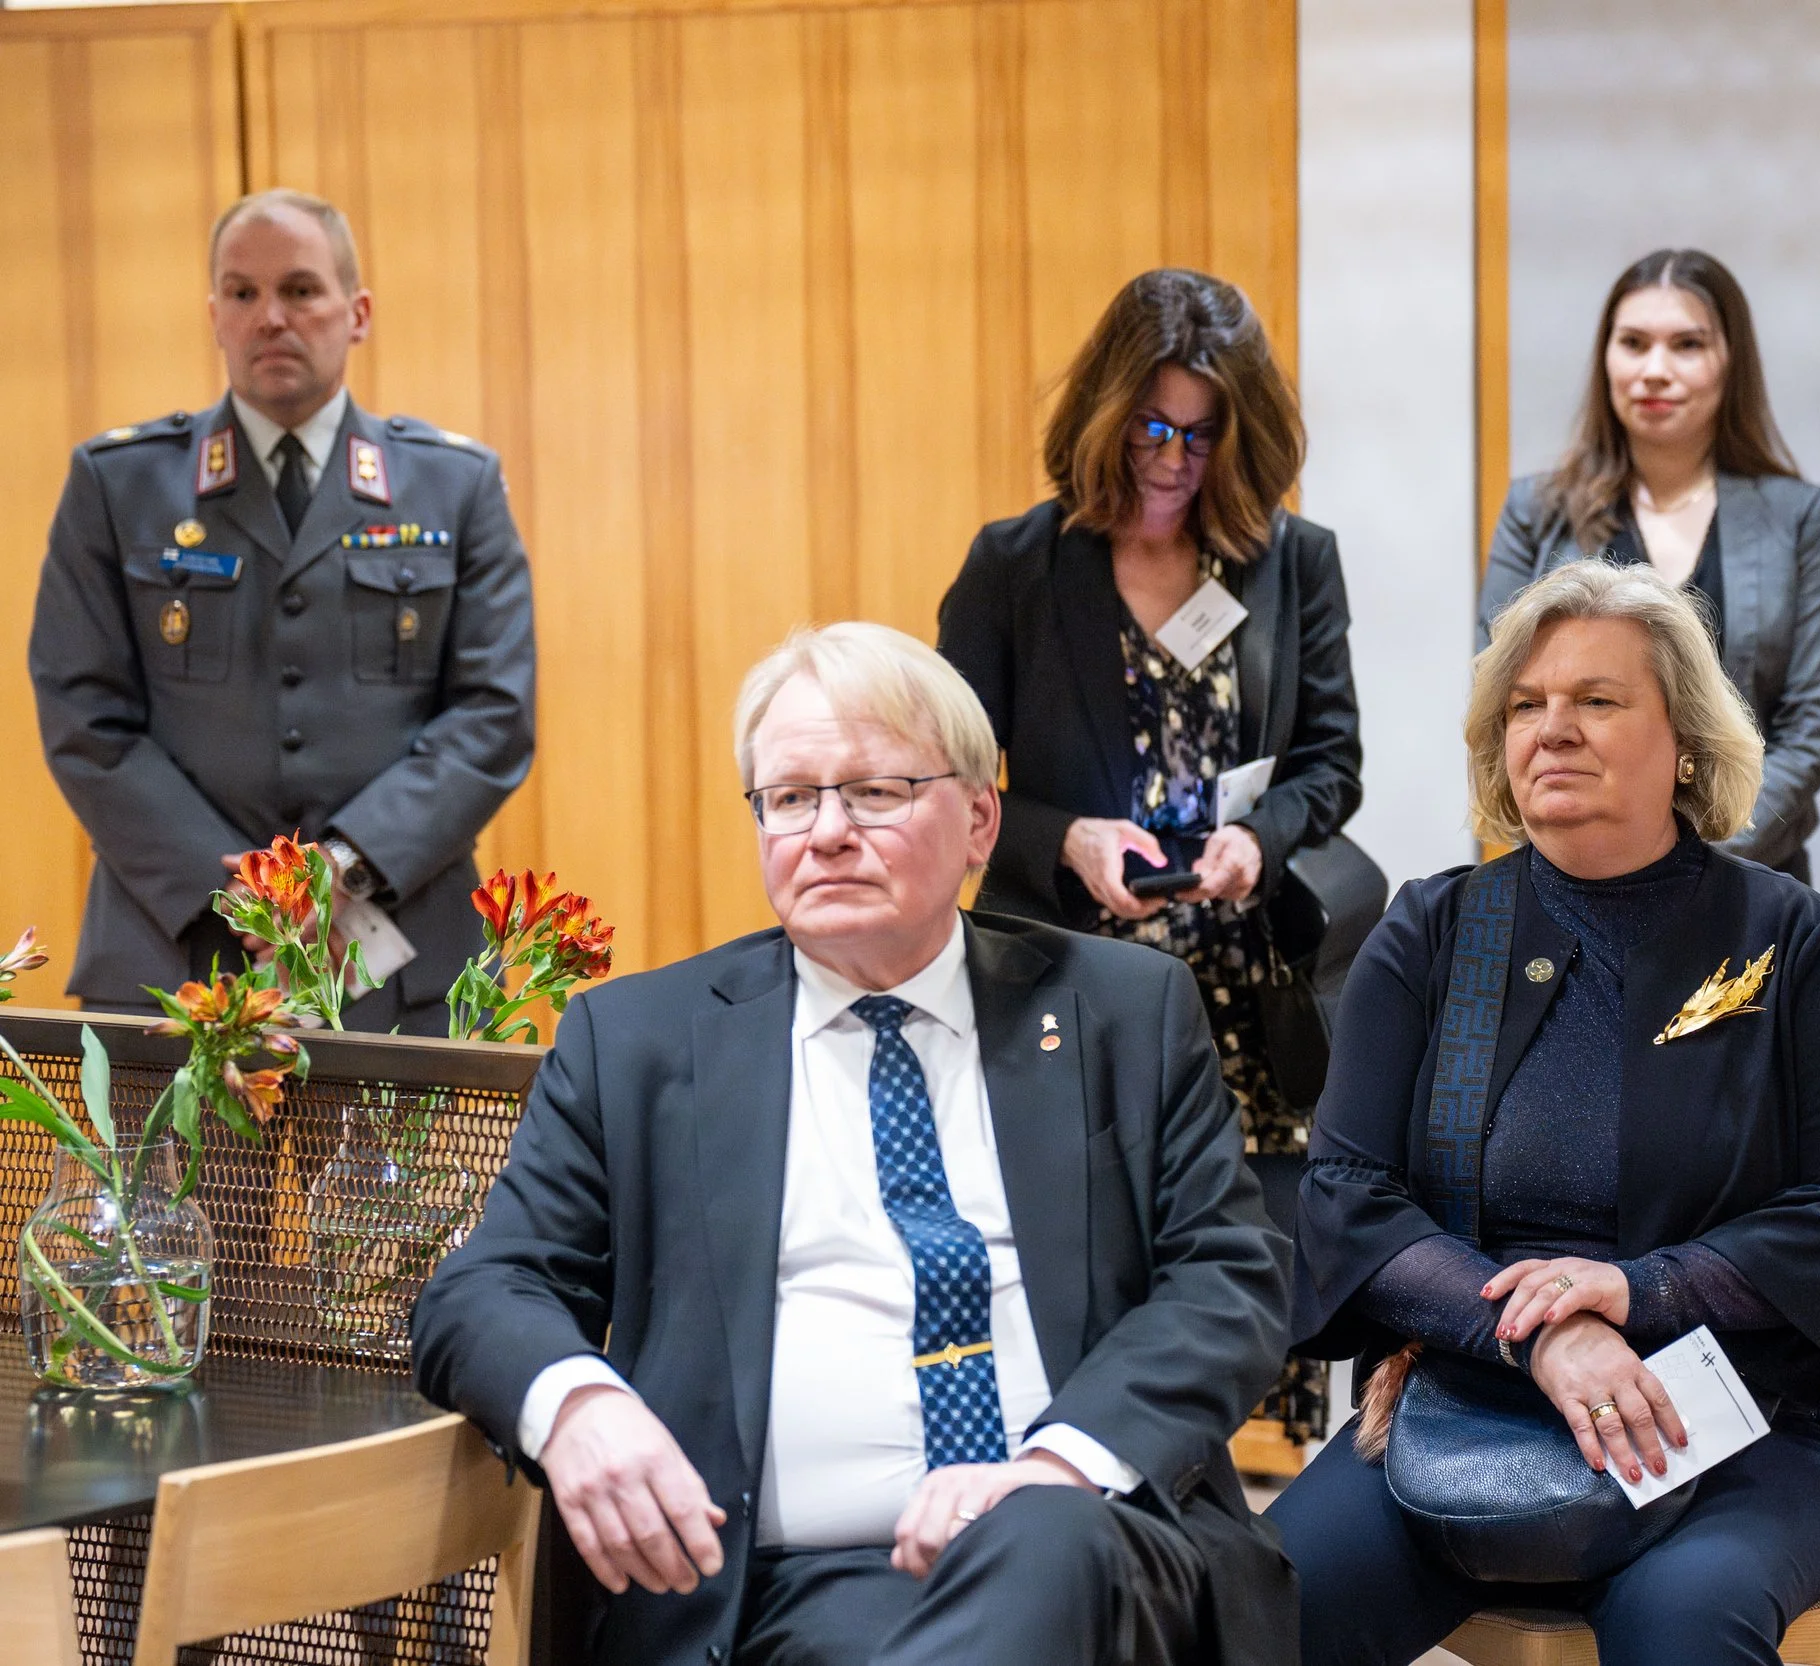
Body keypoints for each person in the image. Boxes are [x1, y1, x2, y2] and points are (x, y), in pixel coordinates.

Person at [410, 622, 1294, 1666]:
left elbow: (1227, 1280)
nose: (826, 831)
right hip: (777, 1587)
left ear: (977, 822)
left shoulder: (1121, 1012)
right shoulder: (639, 1043)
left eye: (875, 791)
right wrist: (579, 1403)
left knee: (1045, 1545)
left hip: (1091, 1537)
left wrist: (1051, 1467)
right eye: (789, 797)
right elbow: (483, 1288)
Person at [1270, 562, 1820, 1666]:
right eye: (1525, 705)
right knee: (1250, 1606)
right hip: (1469, 1408)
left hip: (1734, 1428)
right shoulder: (1432, 933)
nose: (1551, 730)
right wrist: (1543, 1336)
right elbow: (1344, 1199)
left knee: (1685, 1630)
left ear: (1685, 742)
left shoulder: (1792, 938)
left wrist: (1639, 1289)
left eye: (1595, 700)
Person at [937, 268, 1362, 1447]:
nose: (1174, 461)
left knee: (1256, 1286)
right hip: (1075, 979)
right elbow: (948, 778)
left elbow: (1334, 759)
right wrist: (1063, 837)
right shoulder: (1016, 566)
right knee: (1095, 1272)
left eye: (1203, 435)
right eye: (1153, 428)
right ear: (1108, 417)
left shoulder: (1290, 562)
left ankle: (1245, 1534)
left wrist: (1256, 842)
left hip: (1246, 986)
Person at [28, 188, 533, 1034]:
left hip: (392, 953)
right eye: (242, 293)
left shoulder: (456, 485)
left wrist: (342, 869)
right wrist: (249, 894)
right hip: (177, 949)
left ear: (357, 311)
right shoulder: (117, 484)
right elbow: (83, 716)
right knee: (165, 1179)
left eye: (300, 290)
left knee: (407, 1178)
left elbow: (494, 712)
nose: (271, 316)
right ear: (215, 315)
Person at [1476, 249, 1820, 883]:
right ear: (1606, 359)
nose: (1655, 370)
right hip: (1573, 874)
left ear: (1730, 362)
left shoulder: (1801, 518)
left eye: (1686, 345)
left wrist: (1697, 861)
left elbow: (1811, 723)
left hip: (1749, 880)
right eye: (1633, 343)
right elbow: (1502, 694)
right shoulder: (1536, 512)